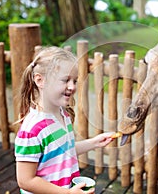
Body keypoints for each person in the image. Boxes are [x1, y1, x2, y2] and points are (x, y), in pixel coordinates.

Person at [14, 46, 114, 194]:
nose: (72, 87)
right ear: (40, 81)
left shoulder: (62, 114)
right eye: (65, 80)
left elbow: (63, 151)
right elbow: (25, 180)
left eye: (75, 80)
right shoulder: (32, 130)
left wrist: (94, 142)